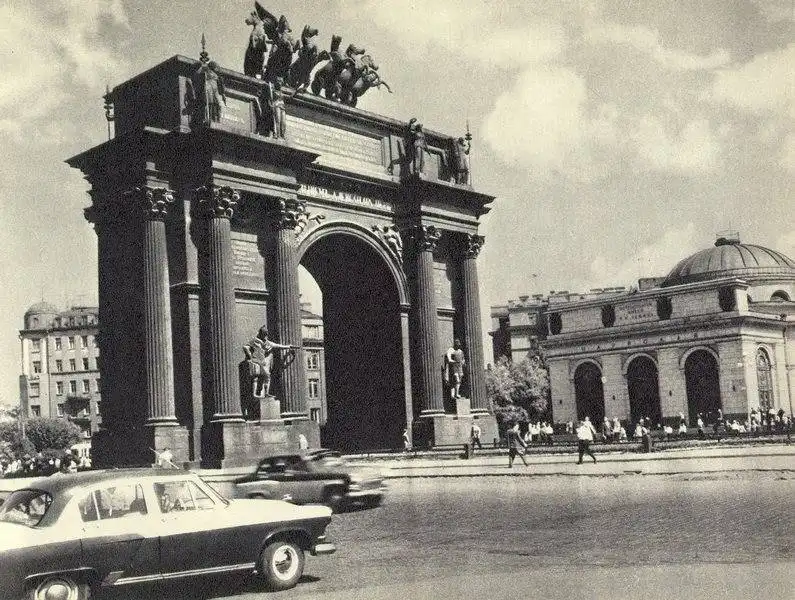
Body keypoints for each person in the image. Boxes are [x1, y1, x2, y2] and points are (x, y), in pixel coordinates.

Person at [243, 326, 297, 397]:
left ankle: (266, 393)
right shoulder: (254, 341)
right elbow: (245, 347)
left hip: (263, 362)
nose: (265, 337)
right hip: (256, 361)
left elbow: (277, 346)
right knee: (256, 377)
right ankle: (254, 394)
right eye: (264, 334)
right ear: (261, 334)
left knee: (267, 376)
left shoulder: (267, 342)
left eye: (266, 335)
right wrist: (250, 356)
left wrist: (288, 347)